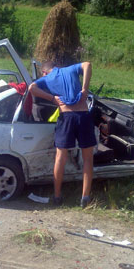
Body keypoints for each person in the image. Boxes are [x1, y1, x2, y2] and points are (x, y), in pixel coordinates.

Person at [28, 61, 96, 207]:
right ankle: (85, 198)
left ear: (44, 72)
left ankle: (57, 197)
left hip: (66, 117)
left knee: (60, 158)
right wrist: (84, 89)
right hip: (83, 116)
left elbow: (31, 88)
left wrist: (52, 99)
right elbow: (87, 64)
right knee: (88, 159)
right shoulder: (70, 69)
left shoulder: (46, 78)